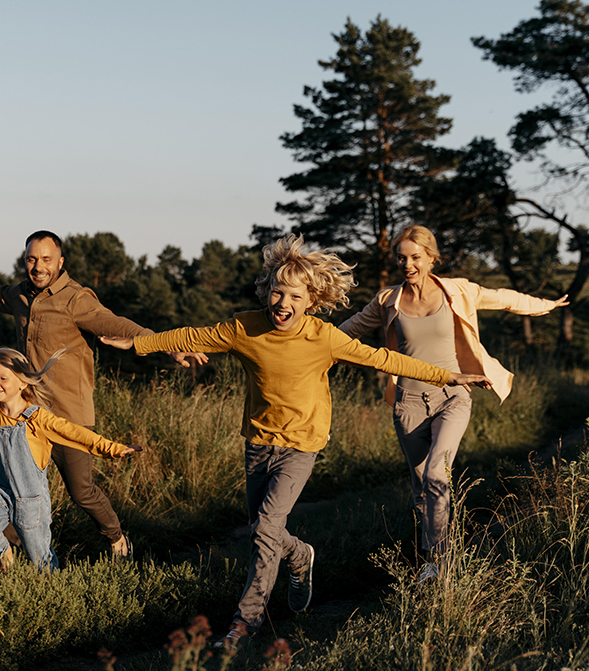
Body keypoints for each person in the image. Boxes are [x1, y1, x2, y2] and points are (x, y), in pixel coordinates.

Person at [100, 234, 490, 649]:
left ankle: (243, 625)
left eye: (294, 296)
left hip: (302, 446)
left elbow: (384, 359)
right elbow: (191, 336)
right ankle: (300, 556)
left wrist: (447, 375)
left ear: (311, 301)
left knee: (266, 527)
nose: (282, 302)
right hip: (258, 444)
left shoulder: (324, 337)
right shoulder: (243, 328)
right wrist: (138, 344)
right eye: (276, 291)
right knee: (260, 530)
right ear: (267, 292)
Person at [0, 230, 205, 559]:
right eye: (32, 259)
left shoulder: (75, 299)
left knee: (81, 491)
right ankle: (13, 547)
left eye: (46, 260)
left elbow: (117, 324)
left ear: (60, 262)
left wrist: (166, 345)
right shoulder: (21, 295)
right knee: (18, 488)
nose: (38, 266)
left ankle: (116, 539)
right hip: (28, 416)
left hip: (69, 413)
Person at [338, 225, 568, 582]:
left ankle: (439, 563)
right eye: (402, 257)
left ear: (432, 258)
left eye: (416, 257)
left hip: (453, 397)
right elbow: (345, 332)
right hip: (408, 402)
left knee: (435, 474)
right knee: (421, 489)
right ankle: (429, 553)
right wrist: (306, 346)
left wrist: (545, 305)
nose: (408, 264)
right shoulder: (388, 301)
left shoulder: (457, 291)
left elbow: (503, 298)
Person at [0, 347, 140, 573]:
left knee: (39, 554)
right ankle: (5, 559)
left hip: (30, 498)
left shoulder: (37, 417)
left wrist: (112, 448)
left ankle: (51, 587)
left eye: (3, 378)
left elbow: (75, 433)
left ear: (22, 383)